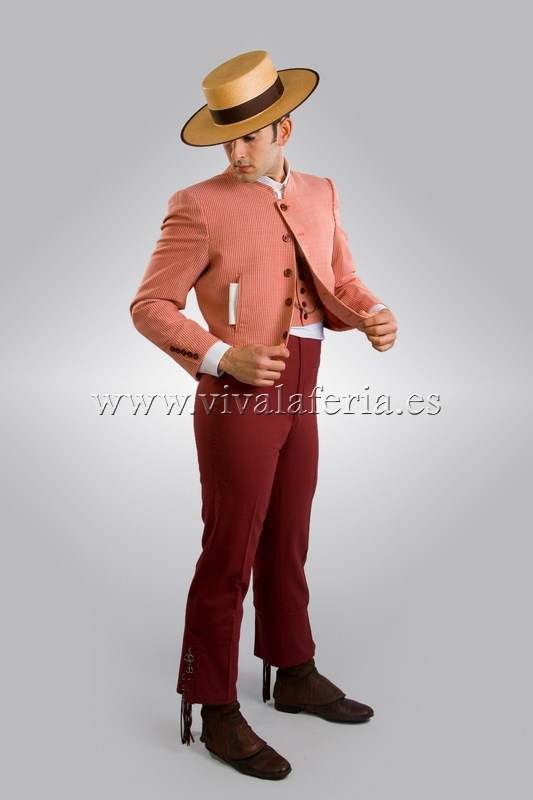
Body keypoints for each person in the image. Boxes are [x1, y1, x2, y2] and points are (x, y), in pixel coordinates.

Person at [129, 49, 398, 780]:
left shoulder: (321, 191)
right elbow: (150, 306)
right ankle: (212, 703)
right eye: (227, 139)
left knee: (288, 538)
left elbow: (341, 277)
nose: (237, 153)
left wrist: (372, 312)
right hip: (237, 395)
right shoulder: (197, 204)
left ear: (284, 129)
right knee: (230, 551)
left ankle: (292, 670)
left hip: (304, 385)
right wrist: (221, 356)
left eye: (249, 136)